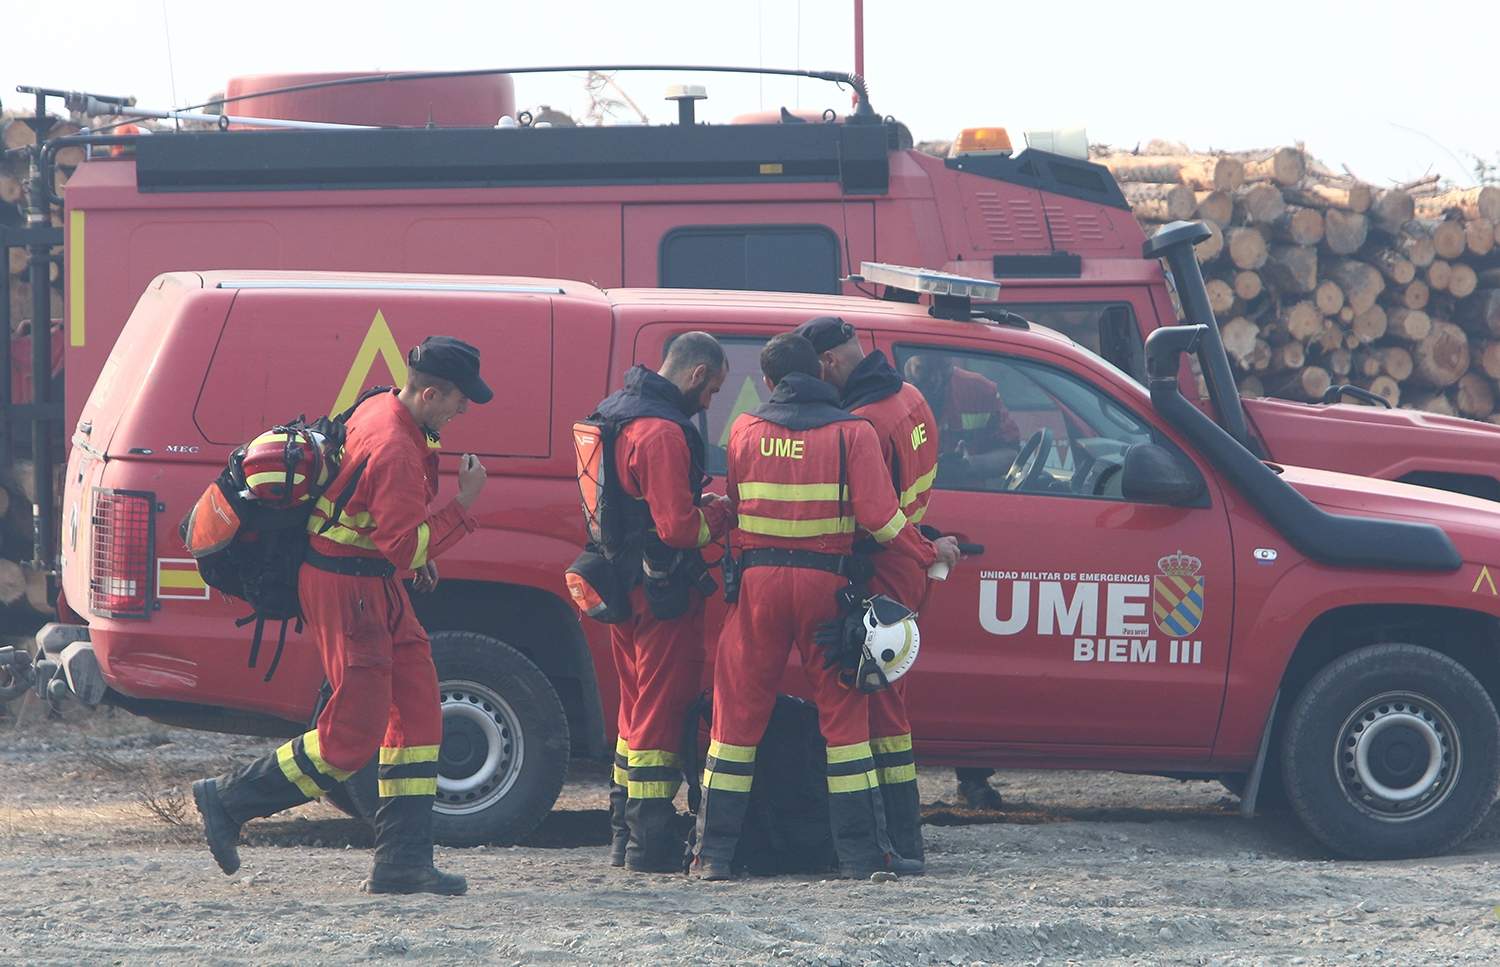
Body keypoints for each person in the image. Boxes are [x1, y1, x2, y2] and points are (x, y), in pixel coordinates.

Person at [192, 336, 492, 896]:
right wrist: (463, 506)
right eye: (458, 400)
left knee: (420, 711)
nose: (463, 410)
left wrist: (411, 555)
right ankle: (229, 799)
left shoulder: (381, 404)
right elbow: (404, 544)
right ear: (430, 392)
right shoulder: (397, 448)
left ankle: (403, 861)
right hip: (349, 590)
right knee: (350, 737)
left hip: (371, 581)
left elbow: (384, 529)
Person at [692, 333, 960, 881]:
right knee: (845, 724)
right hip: (826, 589)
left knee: (735, 720)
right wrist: (932, 551)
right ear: (820, 370)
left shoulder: (744, 429)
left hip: (757, 587)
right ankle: (863, 857)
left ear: (768, 383)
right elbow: (882, 521)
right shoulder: (852, 433)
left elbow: (737, 506)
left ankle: (712, 855)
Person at [792, 315, 939, 865]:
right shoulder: (911, 397)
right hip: (907, 564)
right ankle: (903, 834)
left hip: (878, 566)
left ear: (828, 363)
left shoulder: (864, 425)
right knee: (888, 699)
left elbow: (863, 515)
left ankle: (887, 839)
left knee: (870, 701)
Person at [590, 332, 734, 872]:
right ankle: (649, 844)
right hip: (660, 590)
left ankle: (621, 839)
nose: (709, 402)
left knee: (633, 707)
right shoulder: (663, 432)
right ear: (696, 375)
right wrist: (719, 514)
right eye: (713, 390)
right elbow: (677, 528)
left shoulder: (614, 412)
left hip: (617, 581)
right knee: (658, 708)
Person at [903, 350, 1014, 811]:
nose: (923, 371)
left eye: (932, 366)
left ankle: (973, 773)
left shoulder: (977, 390)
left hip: (956, 532)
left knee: (965, 654)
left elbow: (1011, 451)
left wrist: (971, 468)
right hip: (903, 533)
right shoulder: (889, 395)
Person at [903, 351, 1022, 483]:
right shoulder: (886, 394)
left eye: (943, 367)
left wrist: (969, 465)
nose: (935, 379)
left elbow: (1012, 456)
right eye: (924, 369)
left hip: (967, 498)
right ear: (905, 361)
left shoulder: (979, 391)